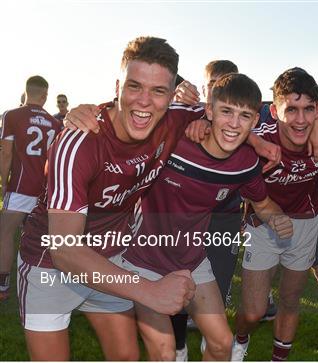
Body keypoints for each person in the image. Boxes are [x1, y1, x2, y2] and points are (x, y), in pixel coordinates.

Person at [17, 36, 199, 360]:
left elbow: (228, 118)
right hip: (50, 267)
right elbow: (66, 251)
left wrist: (311, 129)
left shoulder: (174, 123)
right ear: (117, 86)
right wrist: (150, 291)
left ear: (172, 97)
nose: (144, 101)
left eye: (158, 91)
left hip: (111, 259)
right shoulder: (80, 141)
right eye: (134, 86)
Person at [118, 73, 293, 361]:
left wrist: (278, 219)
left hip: (192, 261)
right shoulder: (174, 139)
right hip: (142, 260)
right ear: (209, 111)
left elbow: (263, 204)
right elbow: (132, 114)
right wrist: (87, 112)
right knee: (164, 353)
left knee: (222, 344)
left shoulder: (246, 163)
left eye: (245, 116)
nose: (234, 124)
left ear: (254, 123)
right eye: (226, 112)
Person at [231, 67, 318, 361]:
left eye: (308, 109)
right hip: (262, 225)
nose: (300, 120)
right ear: (273, 110)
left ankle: (278, 358)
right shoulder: (258, 139)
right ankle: (240, 340)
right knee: (253, 310)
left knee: (290, 298)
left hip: (306, 224)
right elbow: (212, 122)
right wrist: (253, 140)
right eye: (291, 109)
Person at [0, 76, 62, 301]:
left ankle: (3, 285)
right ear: (45, 95)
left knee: (5, 234)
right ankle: (44, 285)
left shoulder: (12, 115)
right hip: (44, 190)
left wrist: (3, 182)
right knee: (39, 239)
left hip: (19, 186)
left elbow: (5, 153)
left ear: (26, 92)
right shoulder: (56, 123)